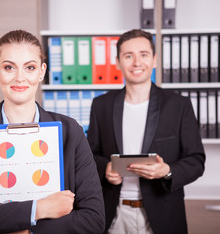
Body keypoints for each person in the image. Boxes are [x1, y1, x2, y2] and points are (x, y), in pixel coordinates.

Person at [0, 30, 105, 234]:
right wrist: (38, 209)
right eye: (9, 67)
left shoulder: (70, 131)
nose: (20, 78)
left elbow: (93, 219)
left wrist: (26, 231)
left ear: (42, 71)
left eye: (29, 67)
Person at [87, 29, 206, 234]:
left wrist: (167, 170)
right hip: (115, 214)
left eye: (143, 54)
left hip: (164, 215)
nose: (136, 62)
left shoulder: (179, 105)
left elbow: (196, 160)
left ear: (154, 60)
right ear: (117, 62)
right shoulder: (101, 105)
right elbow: (89, 156)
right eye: (128, 56)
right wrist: (105, 169)